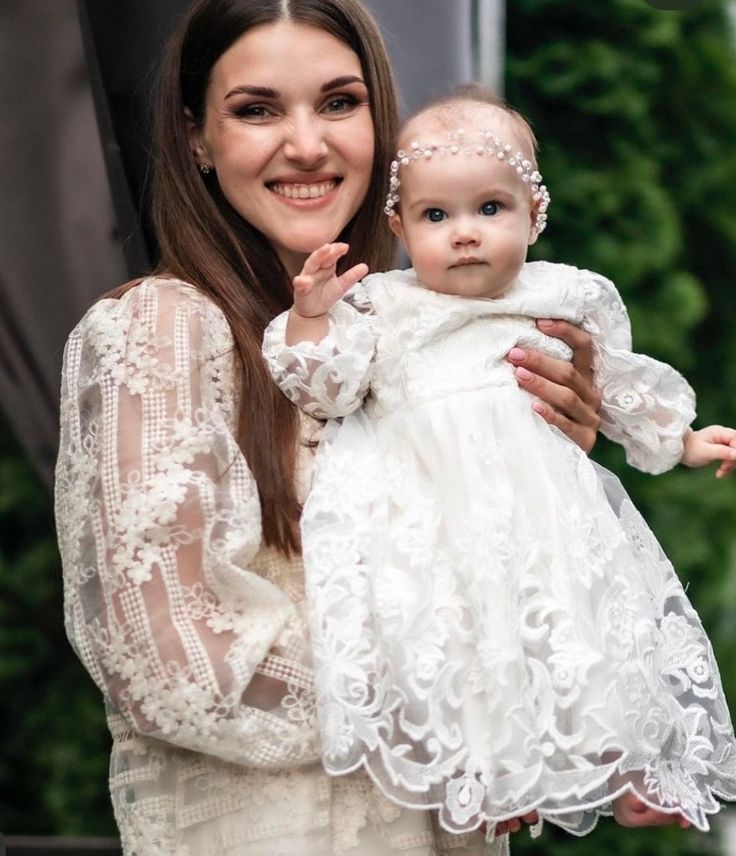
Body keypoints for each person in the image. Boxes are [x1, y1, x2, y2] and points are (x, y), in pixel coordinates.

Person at [53, 3, 604, 855]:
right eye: (257, 109)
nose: (307, 144)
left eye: (340, 103)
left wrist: (548, 476)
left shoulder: (408, 342)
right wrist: (465, 701)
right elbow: (180, 669)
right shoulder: (162, 330)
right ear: (197, 137)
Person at [262, 85, 736, 842]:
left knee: (578, 629)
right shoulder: (382, 304)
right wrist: (313, 316)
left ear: (533, 215)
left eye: (491, 209)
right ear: (400, 225)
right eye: (436, 217)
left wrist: (681, 440)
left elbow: (611, 381)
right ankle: (487, 776)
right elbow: (327, 387)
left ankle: (627, 765)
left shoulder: (563, 294)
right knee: (455, 649)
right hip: (430, 515)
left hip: (539, 509)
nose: (466, 235)